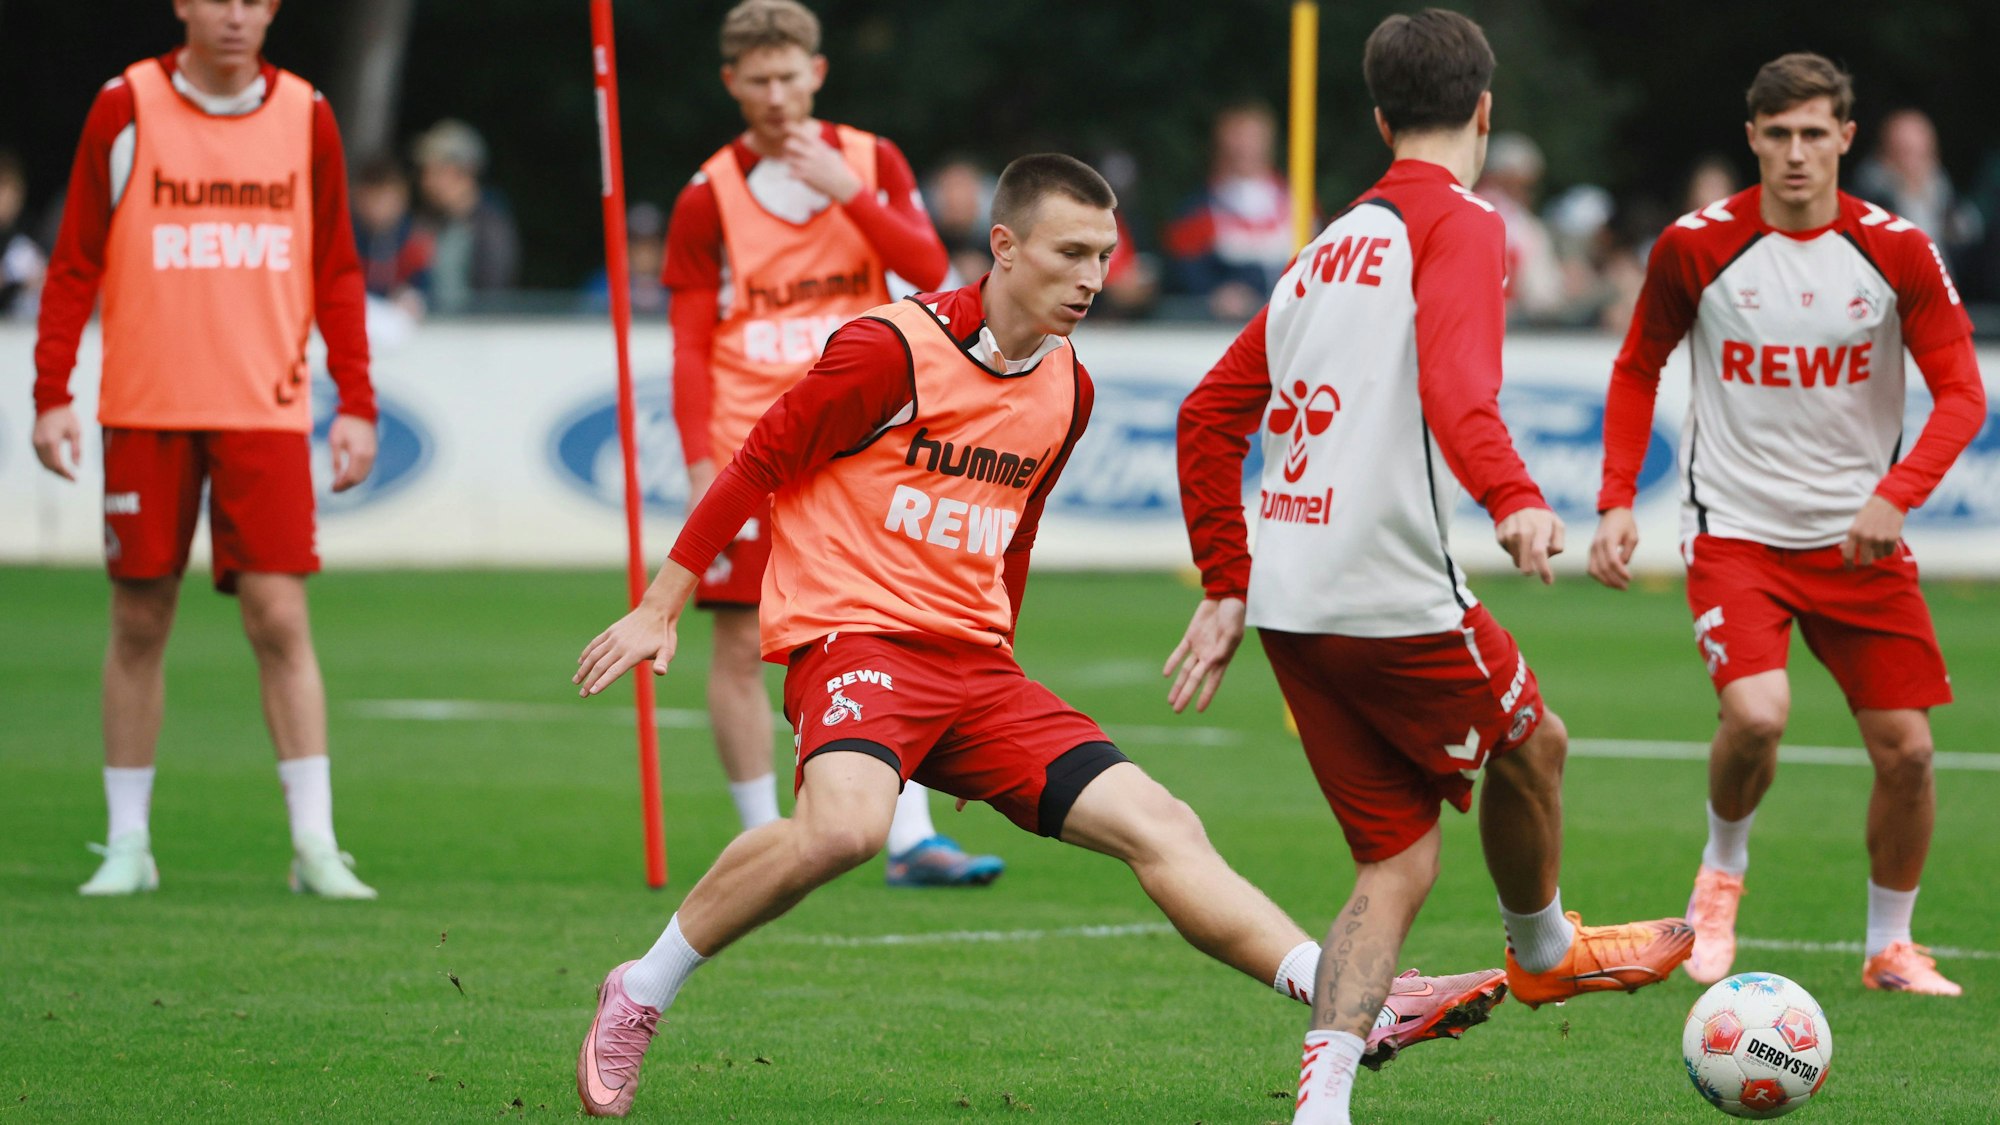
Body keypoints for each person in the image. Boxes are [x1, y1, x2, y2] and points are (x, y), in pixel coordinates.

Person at [570, 153, 1508, 1119]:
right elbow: (758, 461)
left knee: (1162, 823)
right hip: (857, 639)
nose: (1093, 278)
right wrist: (661, 604)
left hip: (975, 671)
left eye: (1104, 255)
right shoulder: (889, 350)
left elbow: (1013, 534)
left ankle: (1351, 996)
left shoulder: (1070, 386)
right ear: (1005, 247)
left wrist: (994, 671)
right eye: (1071, 253)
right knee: (845, 829)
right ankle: (640, 987)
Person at [1168, 14, 1694, 1125]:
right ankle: (1542, 951)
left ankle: (1320, 1107)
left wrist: (1226, 581)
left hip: (1291, 598)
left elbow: (1205, 415)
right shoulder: (1462, 220)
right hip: (1385, 587)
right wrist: (1513, 498)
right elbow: (1460, 389)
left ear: (1377, 119)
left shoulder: (1322, 247)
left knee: (1397, 862)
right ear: (1484, 109)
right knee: (1535, 742)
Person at [1589, 53, 1986, 997]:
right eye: (1779, 135)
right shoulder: (1695, 246)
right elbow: (1637, 367)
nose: (1797, 153)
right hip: (1736, 533)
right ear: (1753, 139)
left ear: (1846, 138)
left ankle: (1891, 946)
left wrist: (1896, 494)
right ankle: (1721, 875)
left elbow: (1964, 393)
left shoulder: (1897, 249)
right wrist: (1615, 498)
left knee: (1909, 753)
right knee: (1758, 715)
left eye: (1814, 134)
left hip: (1858, 538)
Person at [30, 0, 379, 899]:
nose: (234, 15)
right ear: (183, 4)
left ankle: (315, 844)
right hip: (146, 406)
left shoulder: (306, 113)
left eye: (252, 0)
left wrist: (356, 400)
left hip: (266, 409)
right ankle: (127, 842)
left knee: (280, 618)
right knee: (140, 618)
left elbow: (337, 268)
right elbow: (75, 260)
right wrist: (51, 391)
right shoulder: (126, 105)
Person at [662, 0, 999, 884]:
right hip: (752, 440)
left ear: (816, 73)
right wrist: (698, 459)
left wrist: (850, 193)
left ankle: (910, 836)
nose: (776, 95)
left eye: (789, 76)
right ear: (732, 84)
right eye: (757, 81)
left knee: (887, 626)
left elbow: (930, 271)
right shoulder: (707, 194)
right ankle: (764, 839)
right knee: (741, 643)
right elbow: (689, 341)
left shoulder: (871, 160)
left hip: (861, 443)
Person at [1164, 102, 1300, 321]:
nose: (1245, 148)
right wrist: (1214, 293)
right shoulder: (1198, 209)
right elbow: (1183, 270)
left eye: (1253, 138)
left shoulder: (1298, 203)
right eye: (1237, 138)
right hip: (1223, 325)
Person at [410, 118, 518, 313]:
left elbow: (492, 297)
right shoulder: (425, 220)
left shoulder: (490, 227)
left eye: (435, 171)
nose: (426, 181)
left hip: (470, 330)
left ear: (464, 173)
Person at [0, 149, 48, 318]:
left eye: (13, 191)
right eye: (3, 189)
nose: (8, 199)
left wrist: (36, 280)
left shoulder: (23, 240)